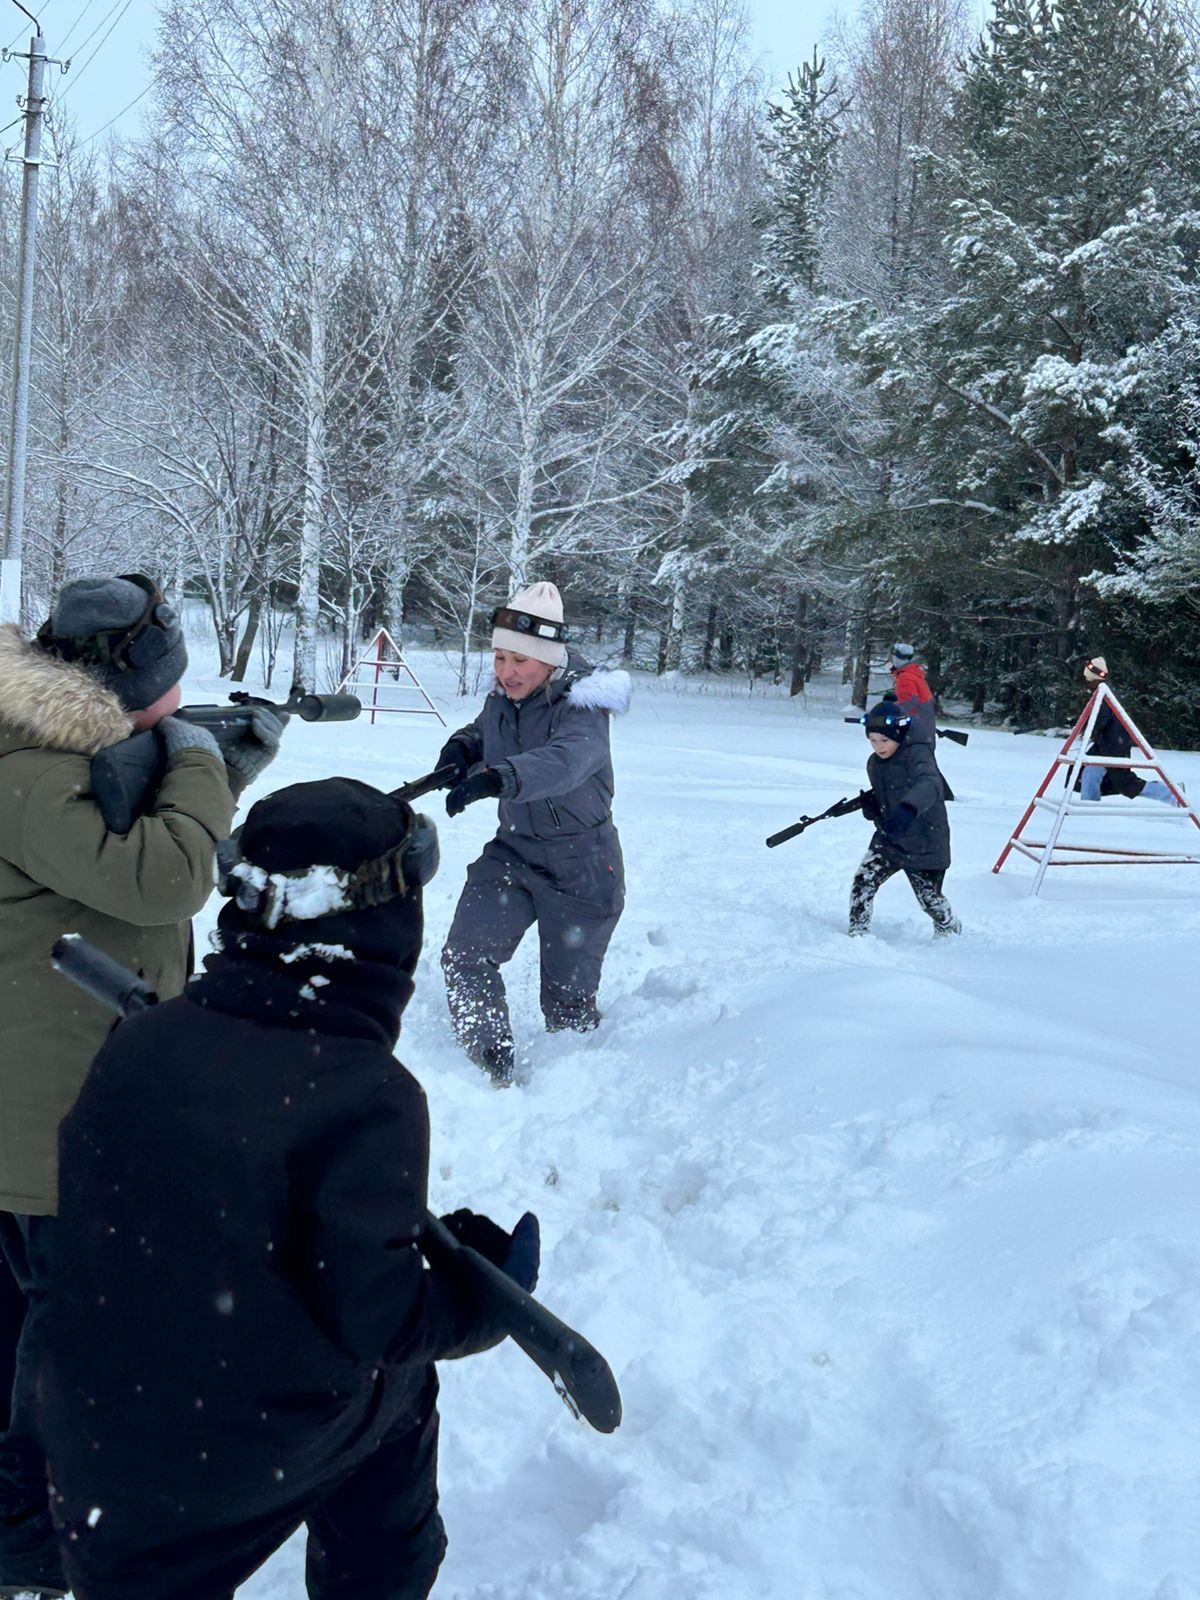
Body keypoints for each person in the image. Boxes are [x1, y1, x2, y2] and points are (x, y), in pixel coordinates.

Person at [36, 778, 539, 1600]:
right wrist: (474, 1298)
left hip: (94, 1451)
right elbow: (377, 1320)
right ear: (386, 922)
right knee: (400, 1390)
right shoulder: (368, 1094)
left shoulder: (140, 1046)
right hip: (227, 1459)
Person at [0, 573, 281, 1597]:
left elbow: (115, 852)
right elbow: (164, 875)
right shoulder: (30, 770)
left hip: (53, 1079)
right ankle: (28, 1535)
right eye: (164, 701)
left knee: (30, 1304)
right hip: (48, 1102)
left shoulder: (51, 749)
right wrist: (202, 764)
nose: (175, 713)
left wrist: (197, 769)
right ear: (117, 698)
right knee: (60, 1319)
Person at [438, 582, 630, 1086]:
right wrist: (461, 750)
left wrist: (500, 778)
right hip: (513, 853)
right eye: (499, 657)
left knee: (567, 1006)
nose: (506, 671)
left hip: (582, 865)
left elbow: (567, 761)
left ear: (550, 660)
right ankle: (488, 1061)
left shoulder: (585, 707)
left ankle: (571, 1096)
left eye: (520, 660)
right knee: (466, 955)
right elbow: (484, 731)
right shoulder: (503, 697)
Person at [848, 700, 961, 938]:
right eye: (873, 740)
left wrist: (908, 808)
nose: (878, 747)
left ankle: (948, 927)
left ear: (899, 734)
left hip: (925, 838)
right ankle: (858, 931)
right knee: (864, 881)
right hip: (891, 838)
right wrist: (872, 808)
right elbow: (886, 799)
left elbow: (930, 784)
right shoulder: (874, 764)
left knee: (929, 899)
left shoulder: (918, 755)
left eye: (884, 740)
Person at [1077, 656, 1180, 805]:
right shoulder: (1105, 691)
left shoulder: (1104, 693)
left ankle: (1170, 794)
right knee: (1090, 773)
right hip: (1108, 744)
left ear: (1093, 678)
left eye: (1088, 678)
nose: (1086, 682)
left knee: (1125, 783)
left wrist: (1088, 730)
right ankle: (1087, 808)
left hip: (1114, 746)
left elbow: (1101, 719)